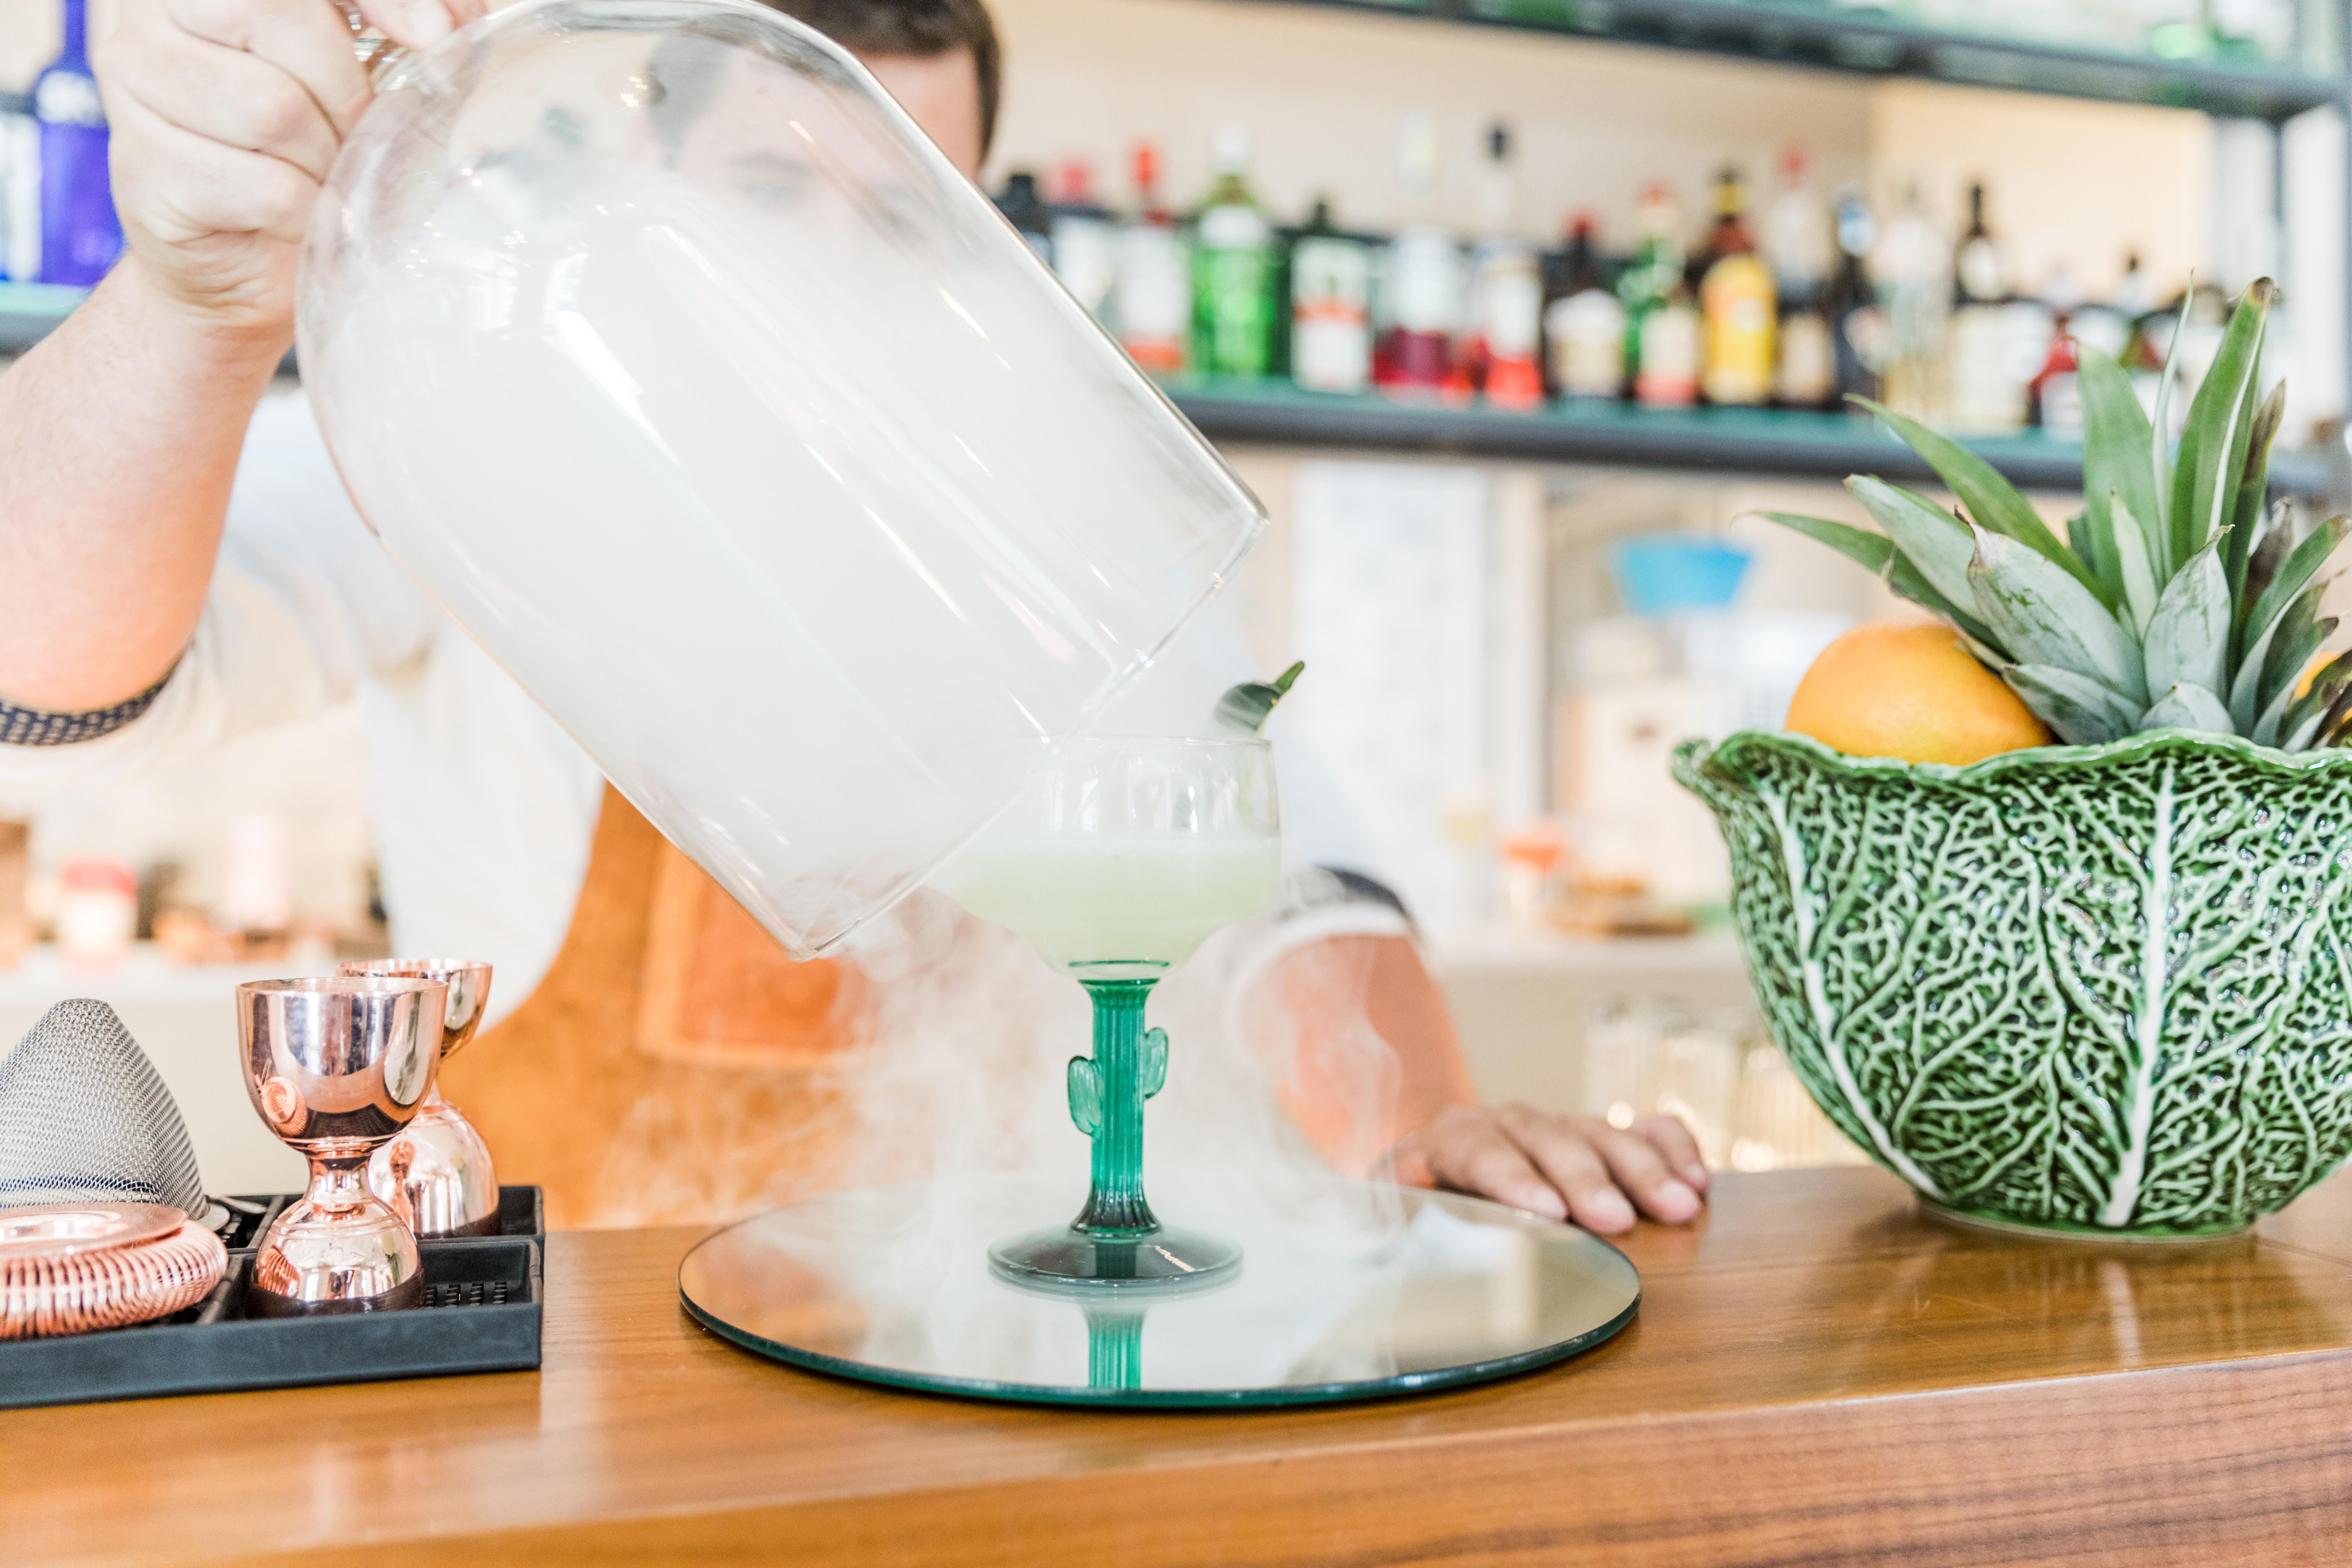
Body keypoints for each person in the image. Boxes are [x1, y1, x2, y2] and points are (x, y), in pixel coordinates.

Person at [0, 0, 1706, 1236]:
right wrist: (200, 304)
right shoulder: (480, 424)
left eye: (899, 204)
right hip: (574, 1351)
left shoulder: (1042, 482)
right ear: (640, 169)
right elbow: (47, 666)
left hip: (969, 1318)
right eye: (769, 191)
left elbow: (1275, 854)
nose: (830, 265)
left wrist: (1425, 1127)